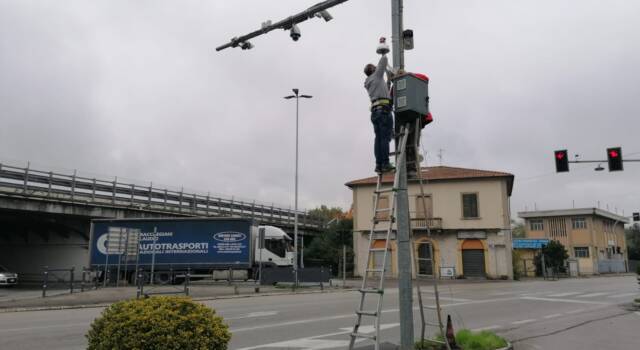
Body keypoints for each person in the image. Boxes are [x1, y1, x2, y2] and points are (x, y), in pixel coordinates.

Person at [364, 49, 394, 174]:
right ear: (373, 70)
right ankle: (386, 163)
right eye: (375, 68)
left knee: (378, 138)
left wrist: (388, 82)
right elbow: (384, 60)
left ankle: (379, 165)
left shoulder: (370, 82)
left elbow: (384, 90)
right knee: (385, 138)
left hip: (376, 112)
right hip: (384, 112)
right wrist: (383, 51)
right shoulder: (376, 75)